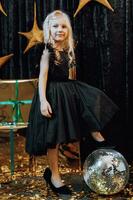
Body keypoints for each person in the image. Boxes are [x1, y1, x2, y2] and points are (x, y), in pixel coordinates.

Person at [26, 10, 119, 195]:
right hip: (51, 95)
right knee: (54, 139)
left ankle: (96, 136)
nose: (60, 30)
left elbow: (67, 76)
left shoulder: (66, 50)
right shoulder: (47, 51)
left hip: (65, 92)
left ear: (67, 30)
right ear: (48, 29)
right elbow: (43, 77)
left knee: (87, 98)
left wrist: (71, 96)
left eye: (63, 27)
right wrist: (43, 101)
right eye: (55, 26)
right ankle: (53, 176)